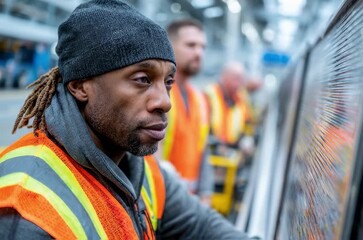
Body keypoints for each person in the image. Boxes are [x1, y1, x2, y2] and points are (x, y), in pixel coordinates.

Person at [0, 1, 249, 239]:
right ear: (80, 86)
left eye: (168, 82)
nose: (165, 102)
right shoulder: (27, 208)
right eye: (142, 79)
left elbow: (201, 225)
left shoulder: (141, 168)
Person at [157, 18, 213, 206]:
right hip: (161, 200)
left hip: (189, 203)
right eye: (191, 45)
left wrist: (205, 195)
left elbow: (202, 150)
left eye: (202, 47)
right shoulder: (155, 96)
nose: (199, 53)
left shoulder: (199, 99)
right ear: (169, 46)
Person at [204, 61, 255, 156]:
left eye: (241, 79)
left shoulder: (241, 98)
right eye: (236, 78)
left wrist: (246, 140)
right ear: (225, 77)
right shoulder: (209, 95)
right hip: (210, 154)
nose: (240, 83)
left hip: (231, 156)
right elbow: (202, 127)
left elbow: (248, 124)